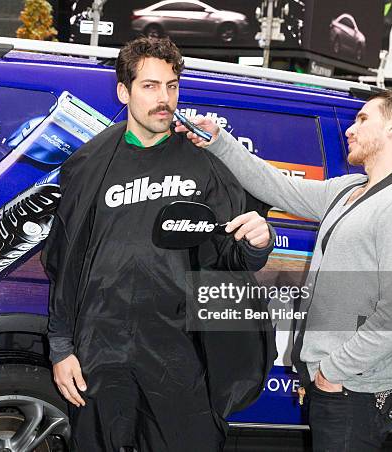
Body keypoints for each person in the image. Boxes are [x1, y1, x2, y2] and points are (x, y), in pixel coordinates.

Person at [41, 37, 276, 452]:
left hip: (178, 352)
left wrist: (257, 242)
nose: (163, 98)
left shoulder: (204, 163)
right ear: (123, 91)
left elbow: (230, 254)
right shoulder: (88, 164)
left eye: (171, 85)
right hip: (100, 348)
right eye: (150, 86)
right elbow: (64, 262)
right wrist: (61, 349)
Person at [177, 90, 392, 451]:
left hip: (355, 391)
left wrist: (332, 371)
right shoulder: (351, 190)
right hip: (334, 386)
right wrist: (221, 142)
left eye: (363, 119)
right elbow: (280, 187)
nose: (350, 128)